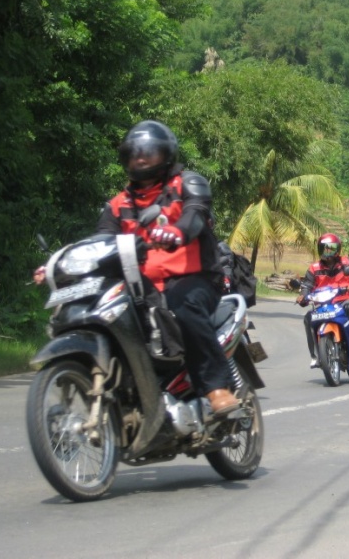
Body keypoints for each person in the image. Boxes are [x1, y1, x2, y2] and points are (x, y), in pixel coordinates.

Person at [37, 120, 240, 416]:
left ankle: (216, 386)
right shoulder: (118, 204)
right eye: (134, 153)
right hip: (143, 285)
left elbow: (196, 214)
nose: (141, 158)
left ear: (166, 154)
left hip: (194, 278)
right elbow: (99, 244)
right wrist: (59, 266)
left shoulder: (187, 183)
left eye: (149, 152)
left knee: (185, 306)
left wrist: (178, 232)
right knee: (111, 314)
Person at [297, 233, 349, 367]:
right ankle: (316, 355)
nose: (327, 252)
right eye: (324, 248)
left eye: (331, 248)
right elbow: (307, 285)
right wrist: (303, 296)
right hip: (322, 303)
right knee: (308, 319)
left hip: (343, 299)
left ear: (338, 249)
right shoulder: (314, 268)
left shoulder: (346, 263)